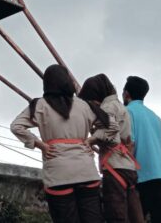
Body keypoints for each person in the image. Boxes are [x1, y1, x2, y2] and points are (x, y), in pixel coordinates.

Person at [11, 65, 104, 223]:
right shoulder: (84, 105)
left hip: (57, 175)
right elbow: (110, 126)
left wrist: (41, 145)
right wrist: (91, 140)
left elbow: (16, 126)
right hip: (86, 171)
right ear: (68, 80)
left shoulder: (39, 105)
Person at [78, 74, 144, 223]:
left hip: (114, 167)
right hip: (128, 166)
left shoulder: (106, 107)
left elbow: (111, 134)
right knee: (134, 215)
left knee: (116, 214)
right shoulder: (120, 106)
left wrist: (90, 140)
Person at [123, 76, 161, 223]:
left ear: (126, 93)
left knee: (135, 218)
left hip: (140, 177)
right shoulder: (156, 117)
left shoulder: (127, 112)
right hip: (160, 176)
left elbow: (130, 144)